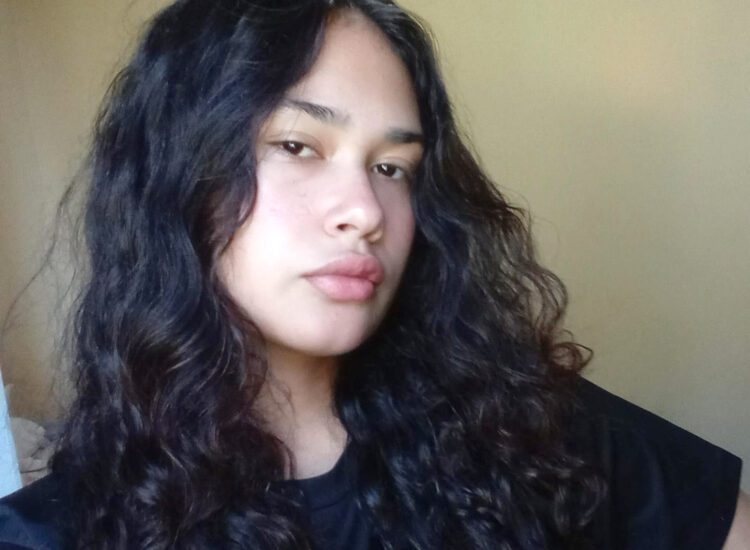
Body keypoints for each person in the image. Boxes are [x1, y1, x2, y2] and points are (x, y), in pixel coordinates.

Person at [0, 0, 747, 548]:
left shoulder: (525, 424)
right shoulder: (52, 534)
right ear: (177, 176)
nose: (365, 211)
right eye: (297, 146)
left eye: (393, 167)